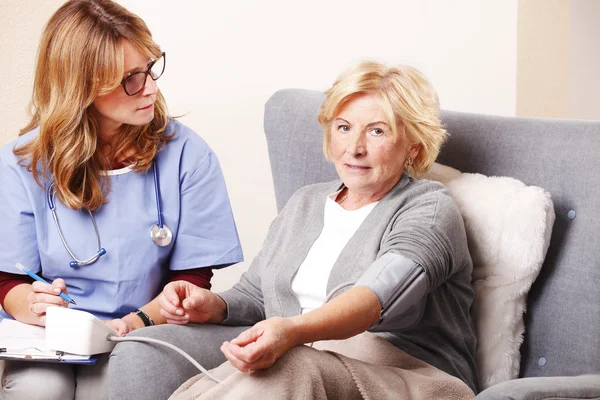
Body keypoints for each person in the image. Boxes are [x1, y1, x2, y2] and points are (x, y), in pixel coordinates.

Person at [108, 61, 479, 399]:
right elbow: (256, 297)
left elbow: (374, 300)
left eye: (377, 131)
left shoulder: (429, 207)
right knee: (230, 380)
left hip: (408, 378)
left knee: (289, 364)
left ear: (413, 144)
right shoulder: (306, 202)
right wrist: (213, 306)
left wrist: (292, 332)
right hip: (305, 369)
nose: (355, 147)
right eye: (344, 127)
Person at [0, 1, 243, 399]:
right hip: (49, 337)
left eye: (150, 68)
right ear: (81, 85)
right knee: (40, 389)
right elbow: (8, 278)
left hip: (144, 330)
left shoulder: (187, 155)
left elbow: (194, 279)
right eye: (130, 78)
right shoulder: (20, 163)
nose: (150, 87)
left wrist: (137, 321)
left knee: (113, 386)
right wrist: (32, 303)